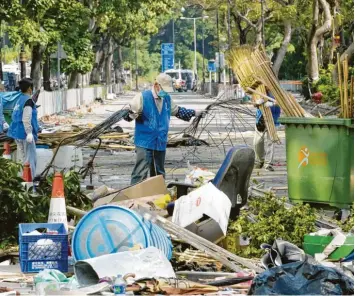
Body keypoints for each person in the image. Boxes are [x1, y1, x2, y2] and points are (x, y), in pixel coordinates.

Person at [125, 73, 205, 185]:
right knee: (140, 171)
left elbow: (177, 111)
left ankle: (157, 196)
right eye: (164, 89)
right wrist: (130, 114)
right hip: (144, 141)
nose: (165, 92)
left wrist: (195, 113)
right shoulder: (142, 97)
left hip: (160, 141)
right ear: (156, 85)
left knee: (159, 172)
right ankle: (134, 196)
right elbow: (129, 114)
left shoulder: (166, 98)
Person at [7, 78, 39, 178]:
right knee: (30, 160)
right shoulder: (28, 101)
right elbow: (26, 118)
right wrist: (29, 133)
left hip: (17, 133)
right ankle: (30, 185)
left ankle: (24, 183)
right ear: (30, 88)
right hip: (25, 134)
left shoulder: (19, 99)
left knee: (23, 159)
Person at [253, 92, 281, 172]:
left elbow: (282, 102)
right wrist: (258, 103)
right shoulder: (259, 90)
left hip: (273, 119)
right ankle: (260, 160)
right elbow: (254, 103)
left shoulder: (276, 90)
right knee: (257, 142)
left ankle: (268, 164)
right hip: (261, 119)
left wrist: (273, 104)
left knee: (271, 142)